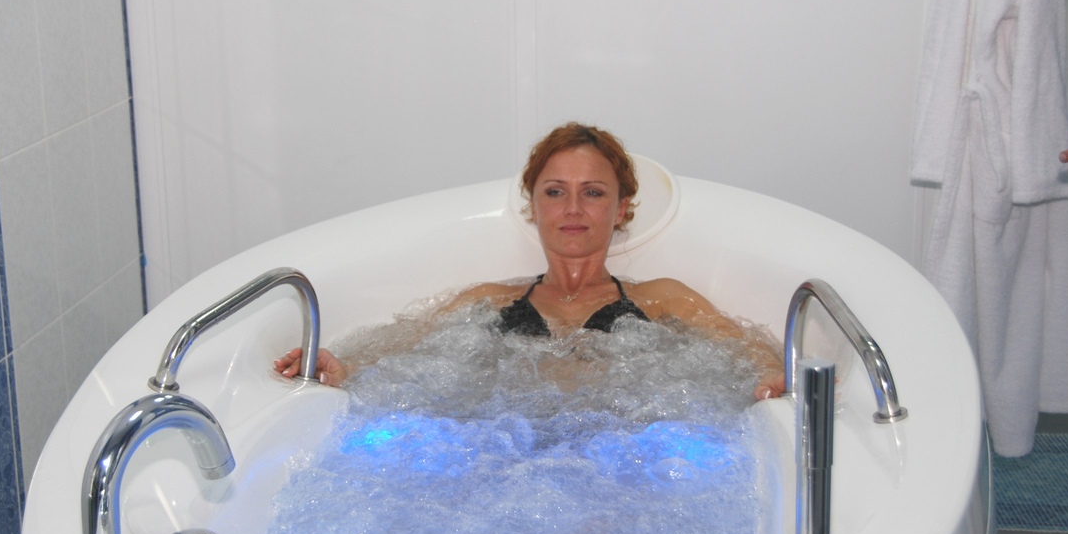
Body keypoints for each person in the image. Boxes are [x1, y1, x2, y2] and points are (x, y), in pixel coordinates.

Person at [275, 123, 787, 399]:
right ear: (534, 206)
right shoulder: (487, 300)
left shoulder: (663, 299)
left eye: (592, 192)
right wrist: (342, 367)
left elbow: (748, 351)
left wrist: (777, 376)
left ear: (620, 209)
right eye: (555, 192)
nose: (572, 208)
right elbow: (397, 349)